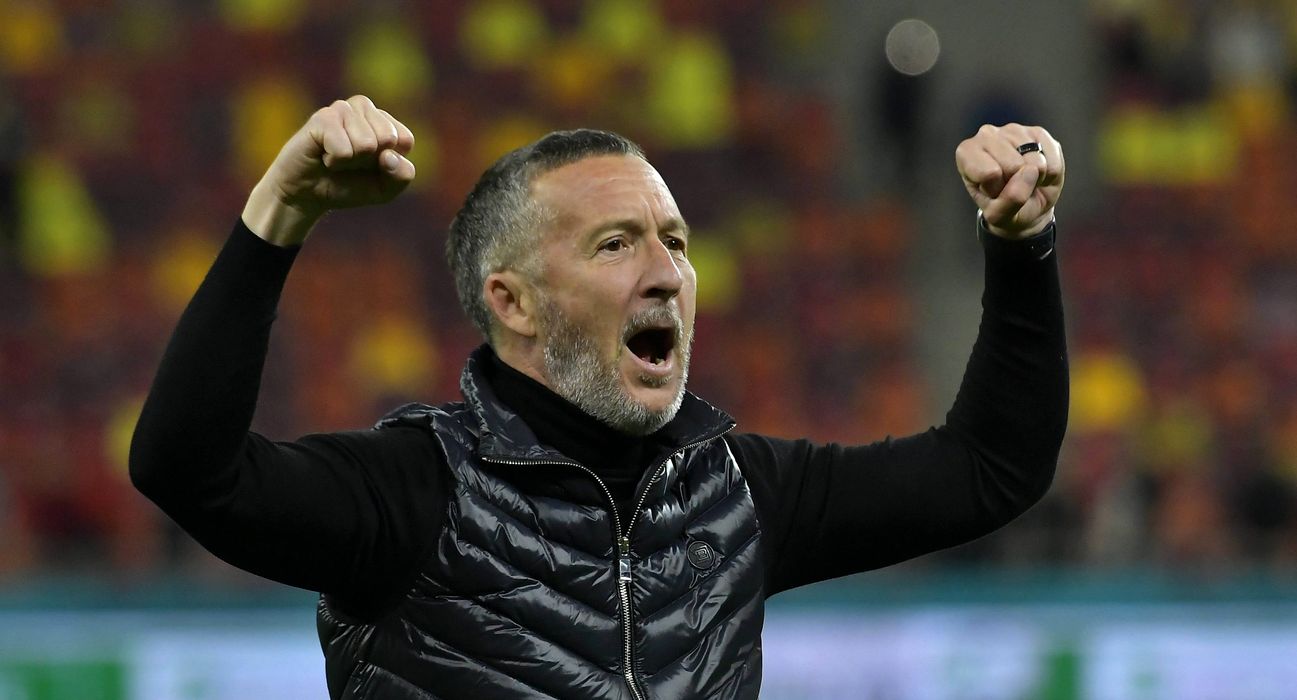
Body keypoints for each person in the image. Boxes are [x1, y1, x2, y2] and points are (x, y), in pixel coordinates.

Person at [130, 95, 1068, 699]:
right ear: (513, 303)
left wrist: (1021, 243)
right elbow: (187, 471)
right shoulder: (410, 492)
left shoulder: (739, 495)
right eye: (615, 245)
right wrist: (281, 213)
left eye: (675, 241)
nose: (666, 272)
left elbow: (990, 470)